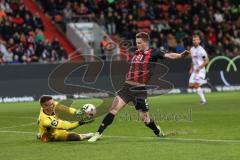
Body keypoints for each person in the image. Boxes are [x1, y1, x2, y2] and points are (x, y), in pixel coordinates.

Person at [88, 32, 190, 142]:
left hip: (139, 90)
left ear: (146, 42)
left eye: (140, 43)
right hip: (126, 88)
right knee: (113, 109)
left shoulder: (154, 52)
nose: (137, 45)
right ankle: (98, 133)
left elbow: (169, 55)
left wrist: (180, 55)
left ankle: (158, 131)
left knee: (145, 119)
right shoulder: (137, 53)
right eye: (136, 42)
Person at [188, 35, 209, 105]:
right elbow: (192, 60)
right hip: (194, 70)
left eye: (196, 40)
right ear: (192, 41)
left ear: (199, 41)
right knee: (190, 85)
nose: (195, 41)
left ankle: (203, 100)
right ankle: (205, 81)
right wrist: (191, 68)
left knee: (196, 85)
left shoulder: (201, 50)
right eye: (194, 40)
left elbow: (206, 61)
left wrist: (199, 68)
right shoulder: (191, 49)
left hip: (200, 70)